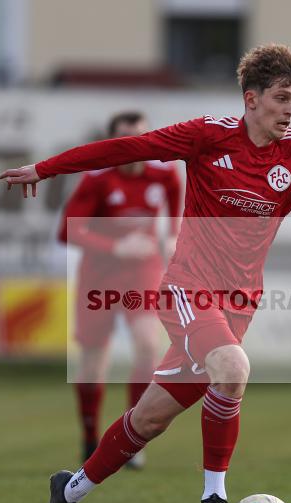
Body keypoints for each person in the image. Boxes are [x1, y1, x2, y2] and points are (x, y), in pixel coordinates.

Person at [0, 43, 291, 503]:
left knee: (149, 419)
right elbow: (127, 149)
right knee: (233, 369)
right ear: (251, 99)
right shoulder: (208, 135)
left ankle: (69, 491)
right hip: (186, 289)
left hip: (239, 302)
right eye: (282, 97)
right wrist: (44, 168)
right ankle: (215, 495)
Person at [60, 111, 182, 466]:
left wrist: (172, 239)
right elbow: (69, 230)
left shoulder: (164, 174)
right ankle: (88, 435)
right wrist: (114, 247)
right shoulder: (96, 180)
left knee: (147, 343)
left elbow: (175, 215)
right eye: (124, 140)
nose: (133, 147)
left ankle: (132, 437)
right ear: (110, 145)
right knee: (94, 360)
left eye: (140, 139)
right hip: (98, 273)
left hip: (143, 267)